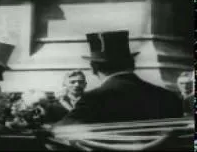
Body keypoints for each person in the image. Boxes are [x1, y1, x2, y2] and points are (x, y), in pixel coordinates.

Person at [55, 30, 183, 126]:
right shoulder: (168, 97)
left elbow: (62, 130)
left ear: (94, 68)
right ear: (132, 64)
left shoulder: (94, 99)